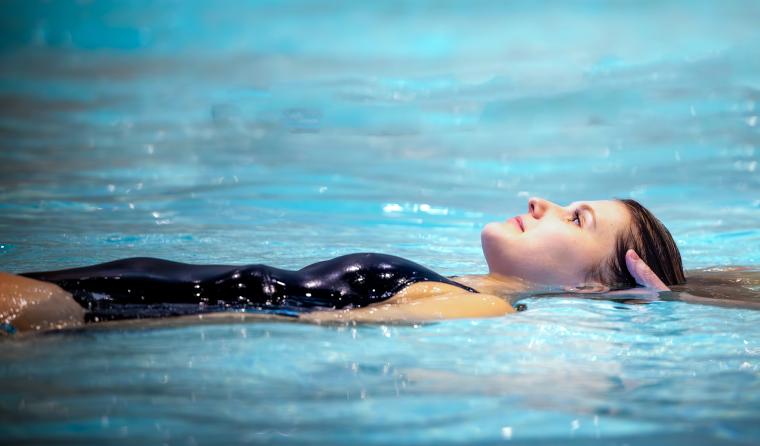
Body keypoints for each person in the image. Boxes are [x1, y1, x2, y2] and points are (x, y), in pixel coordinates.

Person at [0, 197, 685, 334]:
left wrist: (65, 318)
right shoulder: (469, 287)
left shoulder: (479, 305)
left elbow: (261, 314)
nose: (544, 201)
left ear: (592, 281)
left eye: (576, 218)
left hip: (109, 305)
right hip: (134, 281)